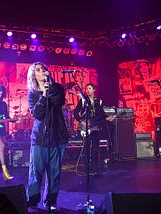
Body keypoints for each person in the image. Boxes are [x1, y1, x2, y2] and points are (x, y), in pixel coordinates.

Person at [26, 62, 69, 212]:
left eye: (43, 69)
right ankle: (32, 202)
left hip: (58, 137)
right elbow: (38, 113)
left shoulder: (57, 88)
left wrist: (49, 89)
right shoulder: (32, 94)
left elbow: (59, 102)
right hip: (40, 138)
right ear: (34, 75)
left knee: (54, 172)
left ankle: (51, 201)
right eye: (38, 70)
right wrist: (43, 94)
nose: (42, 71)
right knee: (35, 172)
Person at [73, 83, 111, 176]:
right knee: (86, 148)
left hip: (95, 126)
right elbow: (75, 112)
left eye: (89, 88)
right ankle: (87, 169)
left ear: (94, 90)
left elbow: (101, 114)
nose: (88, 90)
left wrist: (107, 119)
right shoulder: (83, 101)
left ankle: (95, 168)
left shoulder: (98, 101)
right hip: (86, 126)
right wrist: (81, 122)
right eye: (86, 89)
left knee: (95, 148)